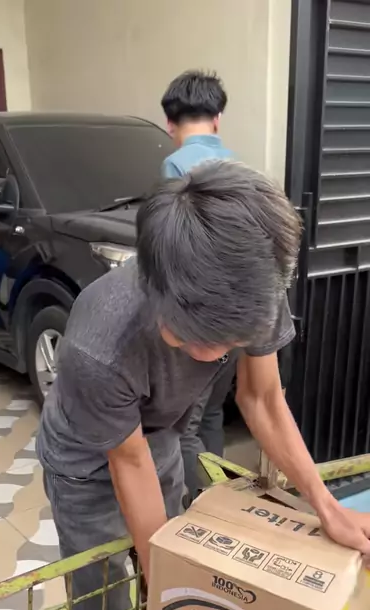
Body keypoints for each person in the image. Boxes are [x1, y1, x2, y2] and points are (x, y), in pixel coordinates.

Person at [37, 160, 370, 610]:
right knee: (104, 592)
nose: (214, 354)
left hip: (159, 435)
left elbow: (262, 398)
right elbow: (129, 463)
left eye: (228, 343)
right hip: (85, 458)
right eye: (199, 339)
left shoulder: (254, 286)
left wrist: (324, 504)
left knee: (171, 550)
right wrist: (163, 600)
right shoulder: (99, 343)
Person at [161, 70, 235, 497]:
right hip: (237, 316)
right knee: (212, 415)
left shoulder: (175, 166)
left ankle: (203, 507)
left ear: (170, 123)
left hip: (199, 318)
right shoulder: (239, 167)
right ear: (217, 119)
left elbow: (175, 249)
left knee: (184, 427)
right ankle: (225, 499)